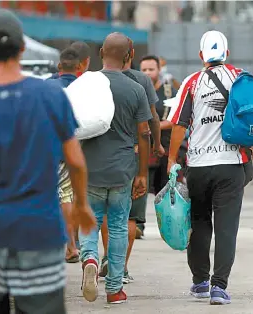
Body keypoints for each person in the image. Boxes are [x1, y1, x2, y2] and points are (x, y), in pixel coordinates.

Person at [0, 10, 96, 314]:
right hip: (41, 231)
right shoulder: (51, 96)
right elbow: (75, 161)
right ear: (23, 48)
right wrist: (81, 205)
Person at [166, 30, 253, 305]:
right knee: (226, 228)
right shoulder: (240, 77)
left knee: (198, 223)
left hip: (198, 165)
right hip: (232, 164)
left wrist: (171, 158)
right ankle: (219, 288)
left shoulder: (192, 82)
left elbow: (179, 123)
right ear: (227, 54)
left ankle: (200, 282)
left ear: (201, 56)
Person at [78, 32, 151, 304]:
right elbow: (144, 133)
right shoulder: (135, 89)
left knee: (91, 219)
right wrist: (142, 172)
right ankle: (114, 289)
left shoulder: (86, 83)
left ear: (100, 54)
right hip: (122, 168)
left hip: (90, 168)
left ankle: (89, 258)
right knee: (119, 226)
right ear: (130, 56)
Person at [97, 40, 163, 284]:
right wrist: (158, 144)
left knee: (104, 211)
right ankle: (120, 268)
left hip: (99, 157)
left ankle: (103, 258)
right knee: (129, 217)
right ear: (131, 55)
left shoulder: (94, 80)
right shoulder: (141, 82)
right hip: (133, 155)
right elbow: (151, 119)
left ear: (102, 53)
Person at [47, 46, 85, 263]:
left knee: (63, 196)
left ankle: (69, 246)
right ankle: (76, 245)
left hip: (55, 148)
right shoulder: (86, 86)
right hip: (83, 147)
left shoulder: (48, 86)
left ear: (59, 66)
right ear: (80, 66)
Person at [140, 55, 178, 196]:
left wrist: (156, 127)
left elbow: (177, 119)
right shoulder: (136, 89)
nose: (147, 73)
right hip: (141, 149)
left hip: (165, 149)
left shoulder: (169, 92)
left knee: (164, 193)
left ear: (159, 69)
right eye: (144, 69)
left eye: (151, 69)